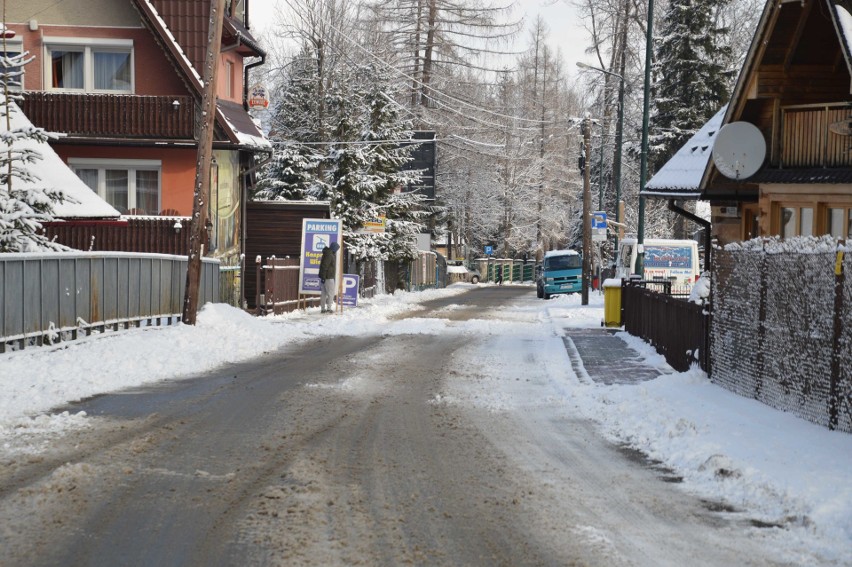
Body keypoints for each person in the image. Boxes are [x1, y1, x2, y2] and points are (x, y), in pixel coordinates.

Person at [319, 241, 339, 313]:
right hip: (329, 277)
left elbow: (324, 266)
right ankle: (329, 308)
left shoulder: (327, 253)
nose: (337, 250)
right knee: (331, 293)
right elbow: (325, 266)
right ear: (334, 248)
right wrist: (324, 277)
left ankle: (323, 308)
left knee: (324, 293)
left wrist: (322, 277)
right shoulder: (330, 255)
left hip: (325, 277)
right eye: (337, 249)